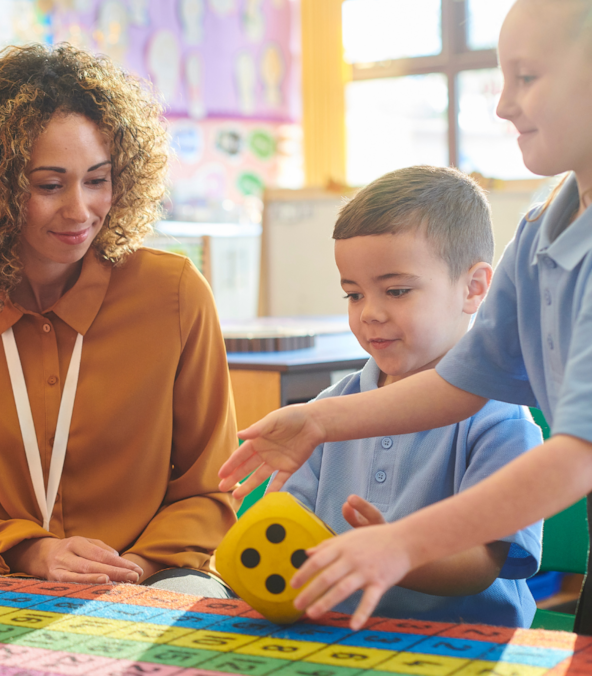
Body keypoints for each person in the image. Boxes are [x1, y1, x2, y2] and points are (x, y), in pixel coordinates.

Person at [218, 0, 592, 632]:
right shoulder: (539, 231)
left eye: (526, 78)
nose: (503, 105)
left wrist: (403, 545)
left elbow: (575, 455)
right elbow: (459, 385)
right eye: (502, 80)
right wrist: (319, 419)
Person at [0, 44, 238, 596]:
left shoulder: (174, 294)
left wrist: (137, 569)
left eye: (97, 180)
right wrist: (35, 551)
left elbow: (210, 485)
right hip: (11, 578)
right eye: (49, 185)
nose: (80, 211)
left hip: (161, 579)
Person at [270, 165, 543, 626]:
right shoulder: (328, 411)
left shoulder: (500, 423)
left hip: (466, 646)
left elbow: (482, 565)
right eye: (353, 295)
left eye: (396, 291)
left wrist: (396, 551)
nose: (370, 314)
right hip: (339, 636)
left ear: (473, 288)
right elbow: (292, 530)